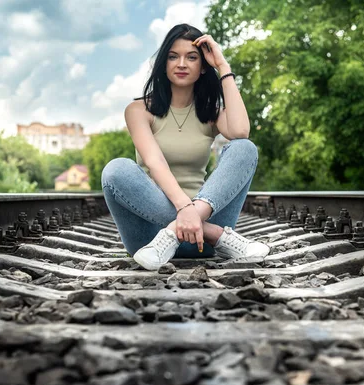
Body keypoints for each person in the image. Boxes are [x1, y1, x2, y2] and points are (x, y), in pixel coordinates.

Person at [101, 23, 270, 270]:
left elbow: (241, 131)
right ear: (164, 64)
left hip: (200, 241)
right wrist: (186, 210)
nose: (181, 64)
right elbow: (154, 161)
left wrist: (223, 66)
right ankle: (215, 233)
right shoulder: (138, 111)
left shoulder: (210, 113)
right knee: (116, 170)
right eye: (173, 56)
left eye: (191, 57)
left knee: (245, 148)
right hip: (151, 242)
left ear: (203, 67)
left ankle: (187, 229)